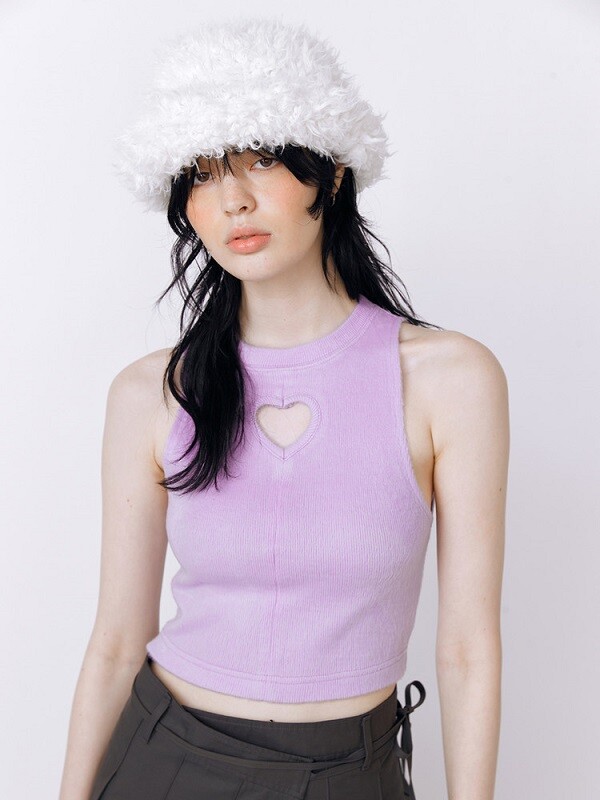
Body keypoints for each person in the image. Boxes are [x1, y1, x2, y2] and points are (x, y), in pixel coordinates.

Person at [59, 16, 508, 800]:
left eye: (262, 159)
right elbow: (116, 642)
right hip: (164, 760)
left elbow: (468, 648)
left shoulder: (449, 379)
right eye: (202, 174)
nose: (233, 199)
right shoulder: (152, 392)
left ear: (331, 174)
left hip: (349, 773)